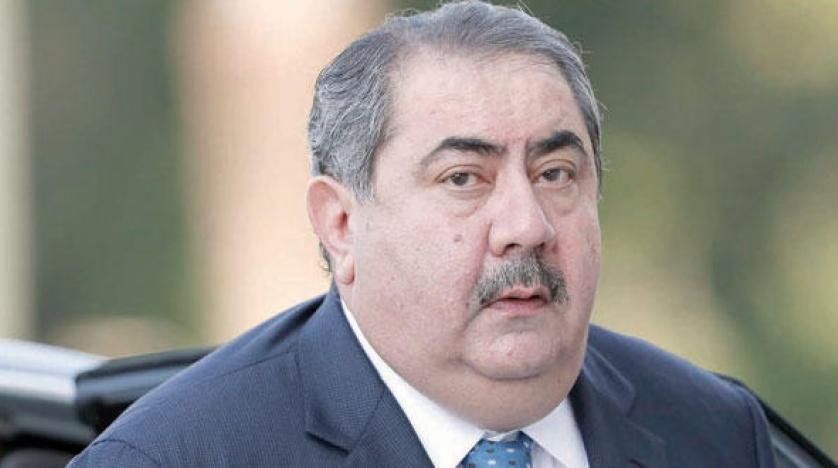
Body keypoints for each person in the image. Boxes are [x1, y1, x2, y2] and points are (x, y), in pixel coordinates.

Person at [70, 2, 776, 467]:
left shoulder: (714, 433)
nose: (526, 225)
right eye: (464, 178)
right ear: (341, 226)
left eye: (556, 173)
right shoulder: (175, 457)